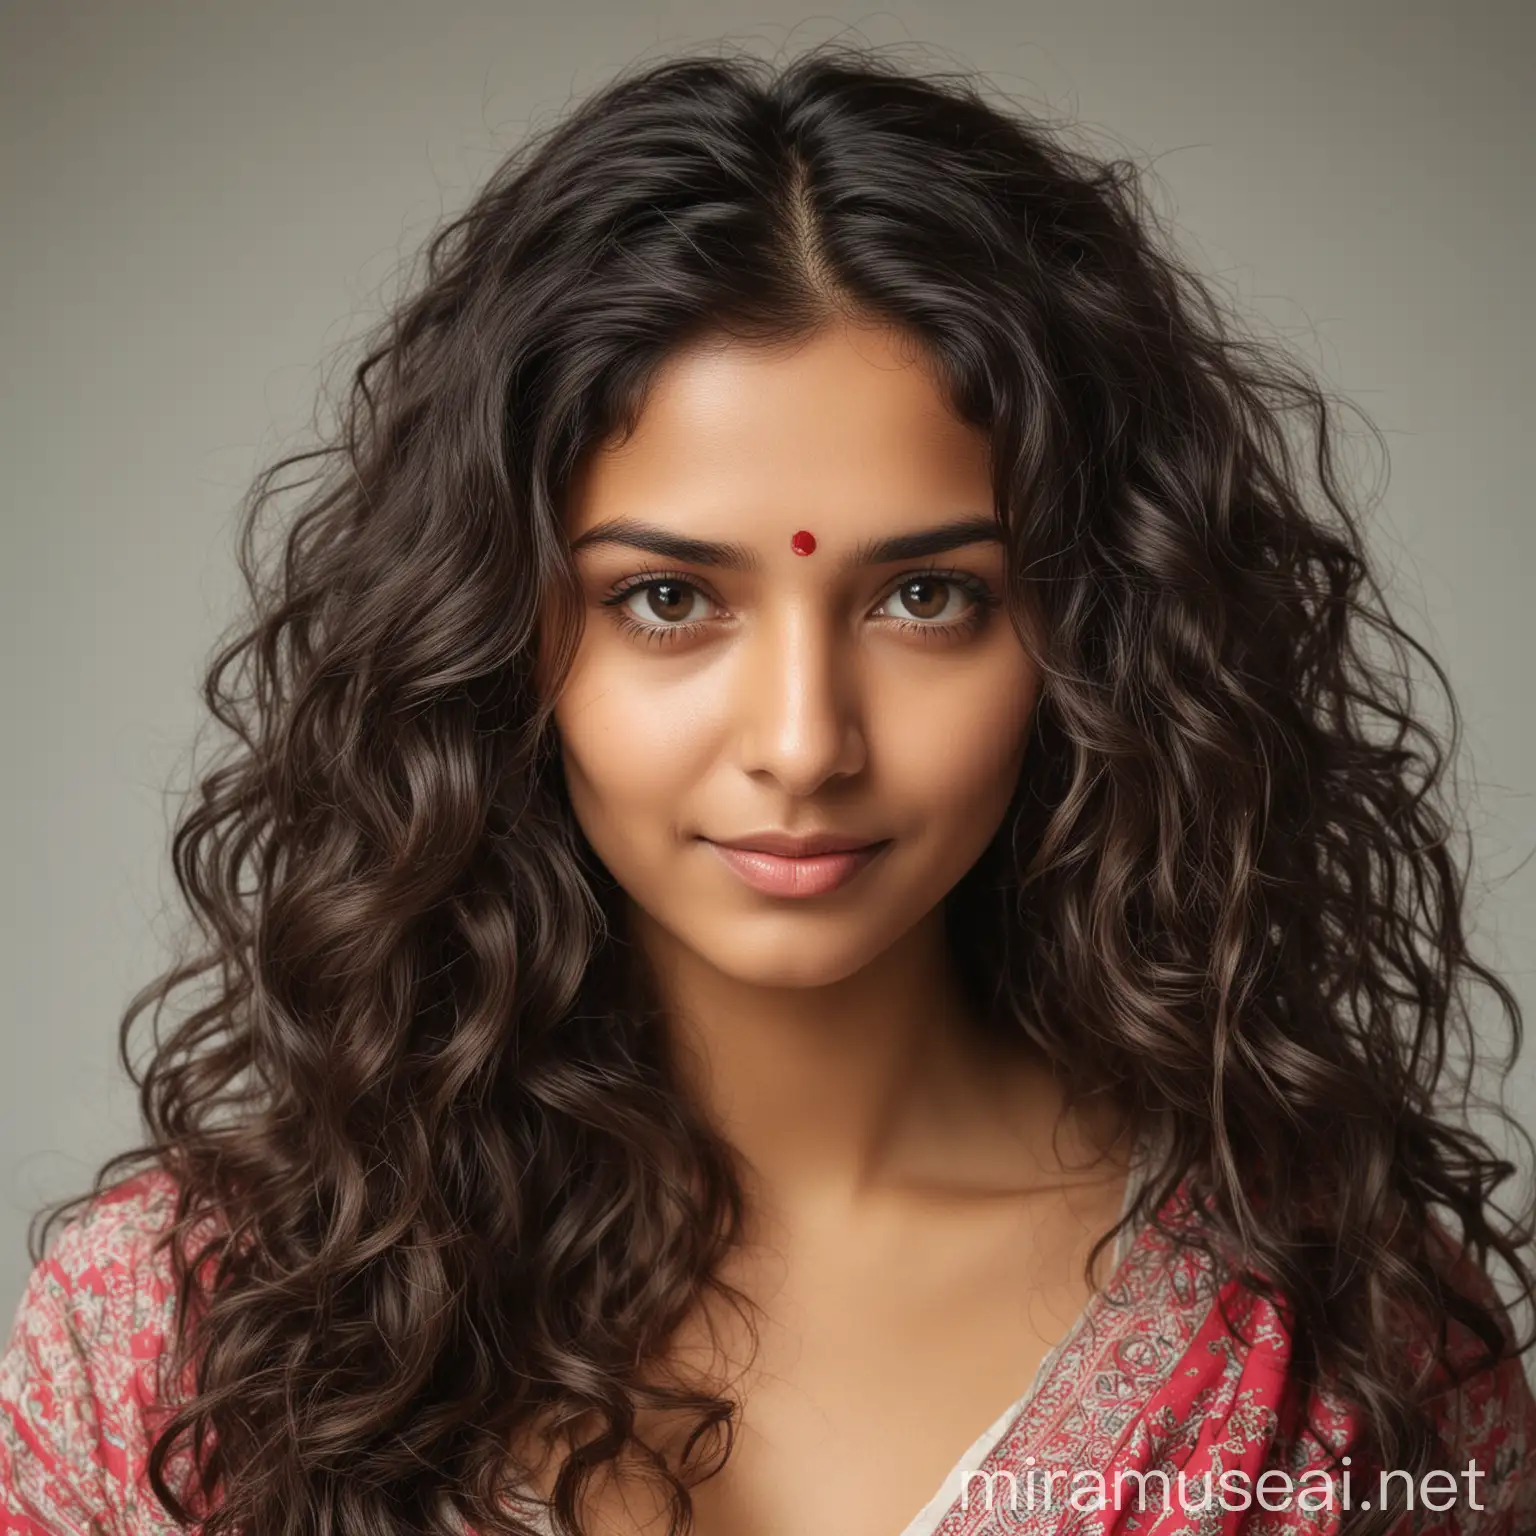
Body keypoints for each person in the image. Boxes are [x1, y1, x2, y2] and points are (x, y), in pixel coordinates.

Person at [2, 44, 1533, 1536]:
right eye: (669, 601)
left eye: (927, 597)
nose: (805, 743)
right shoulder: (170, 1338)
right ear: (487, 640)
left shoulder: (1350, 1364)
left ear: (1099, 641)